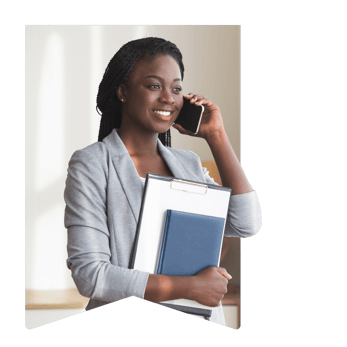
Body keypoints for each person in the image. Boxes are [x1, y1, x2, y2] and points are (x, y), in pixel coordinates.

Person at [64, 37, 262, 326]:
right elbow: (90, 275)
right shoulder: (92, 164)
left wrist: (216, 136)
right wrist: (191, 287)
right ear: (122, 91)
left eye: (177, 88)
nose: (168, 98)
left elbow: (247, 224)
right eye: (154, 85)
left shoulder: (189, 164)